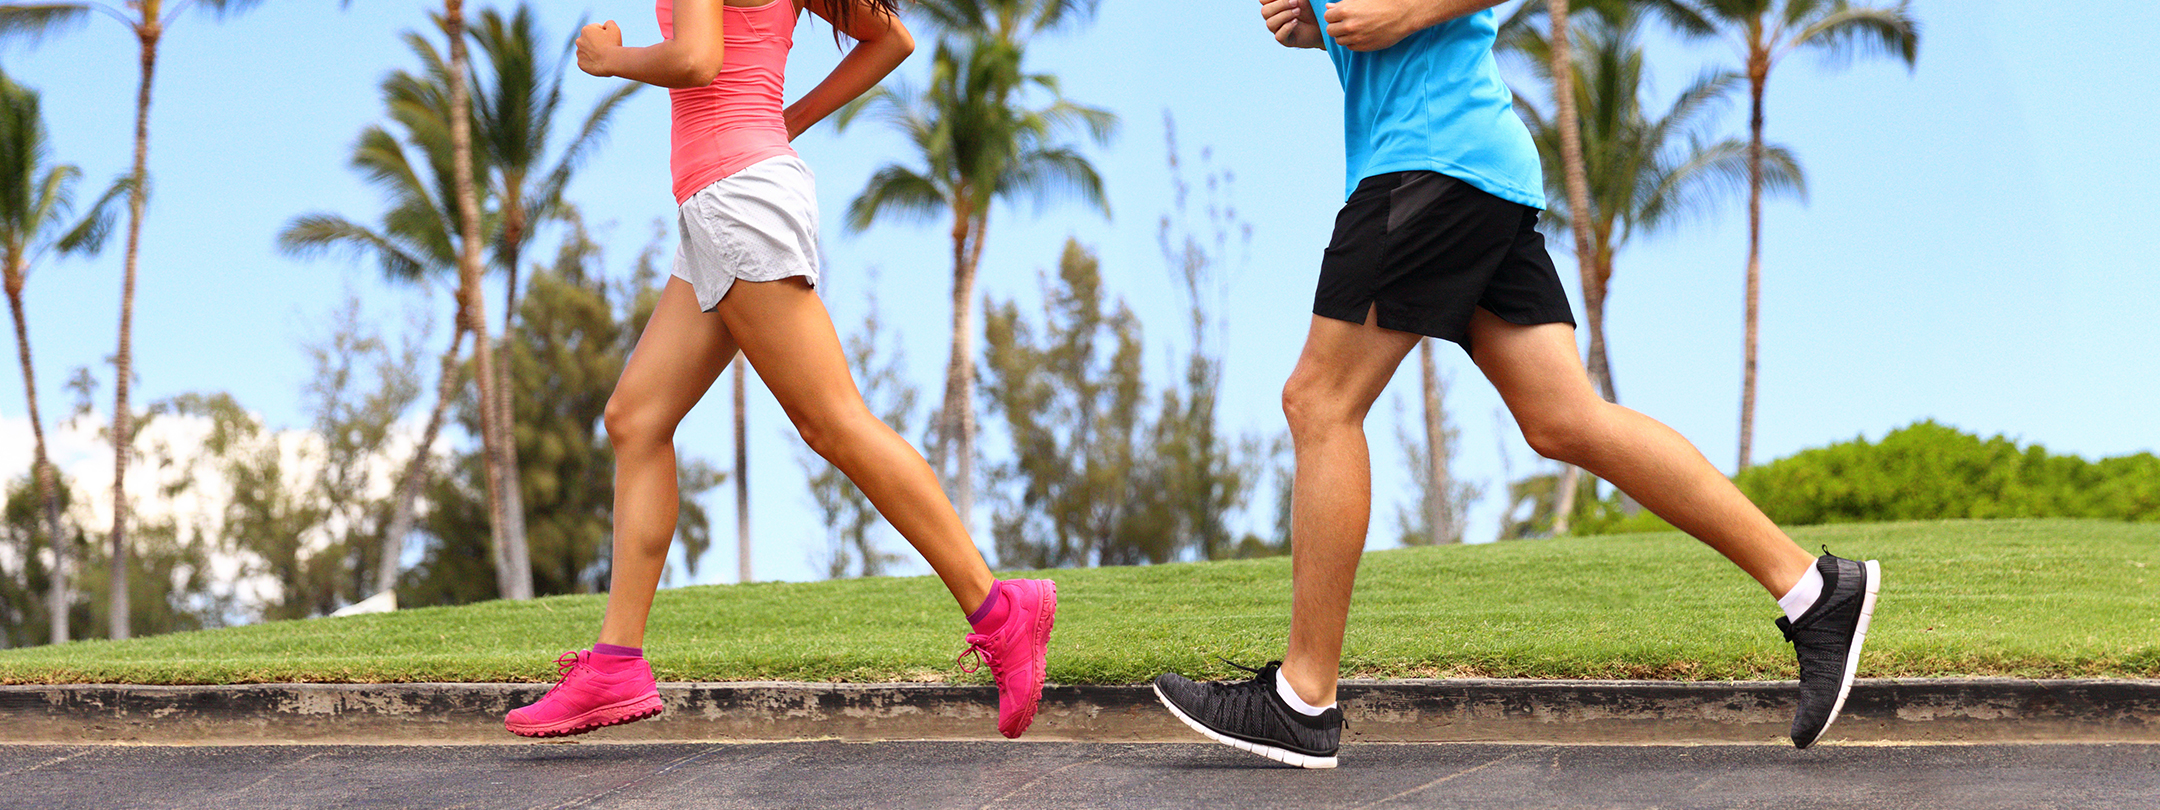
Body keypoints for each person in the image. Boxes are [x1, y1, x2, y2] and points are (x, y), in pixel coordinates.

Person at [1150, 0, 1878, 768]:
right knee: (1564, 418)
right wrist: (1317, 26)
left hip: (1430, 163)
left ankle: (1301, 699)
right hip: (1470, 166)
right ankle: (1812, 591)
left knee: (1320, 402)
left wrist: (1401, 13)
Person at [503, 0, 1055, 741]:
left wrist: (612, 60)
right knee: (636, 419)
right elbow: (890, 38)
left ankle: (1000, 610)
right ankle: (615, 664)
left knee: (831, 420)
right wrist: (782, 123)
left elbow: (698, 59)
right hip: (723, 197)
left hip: (737, 198)